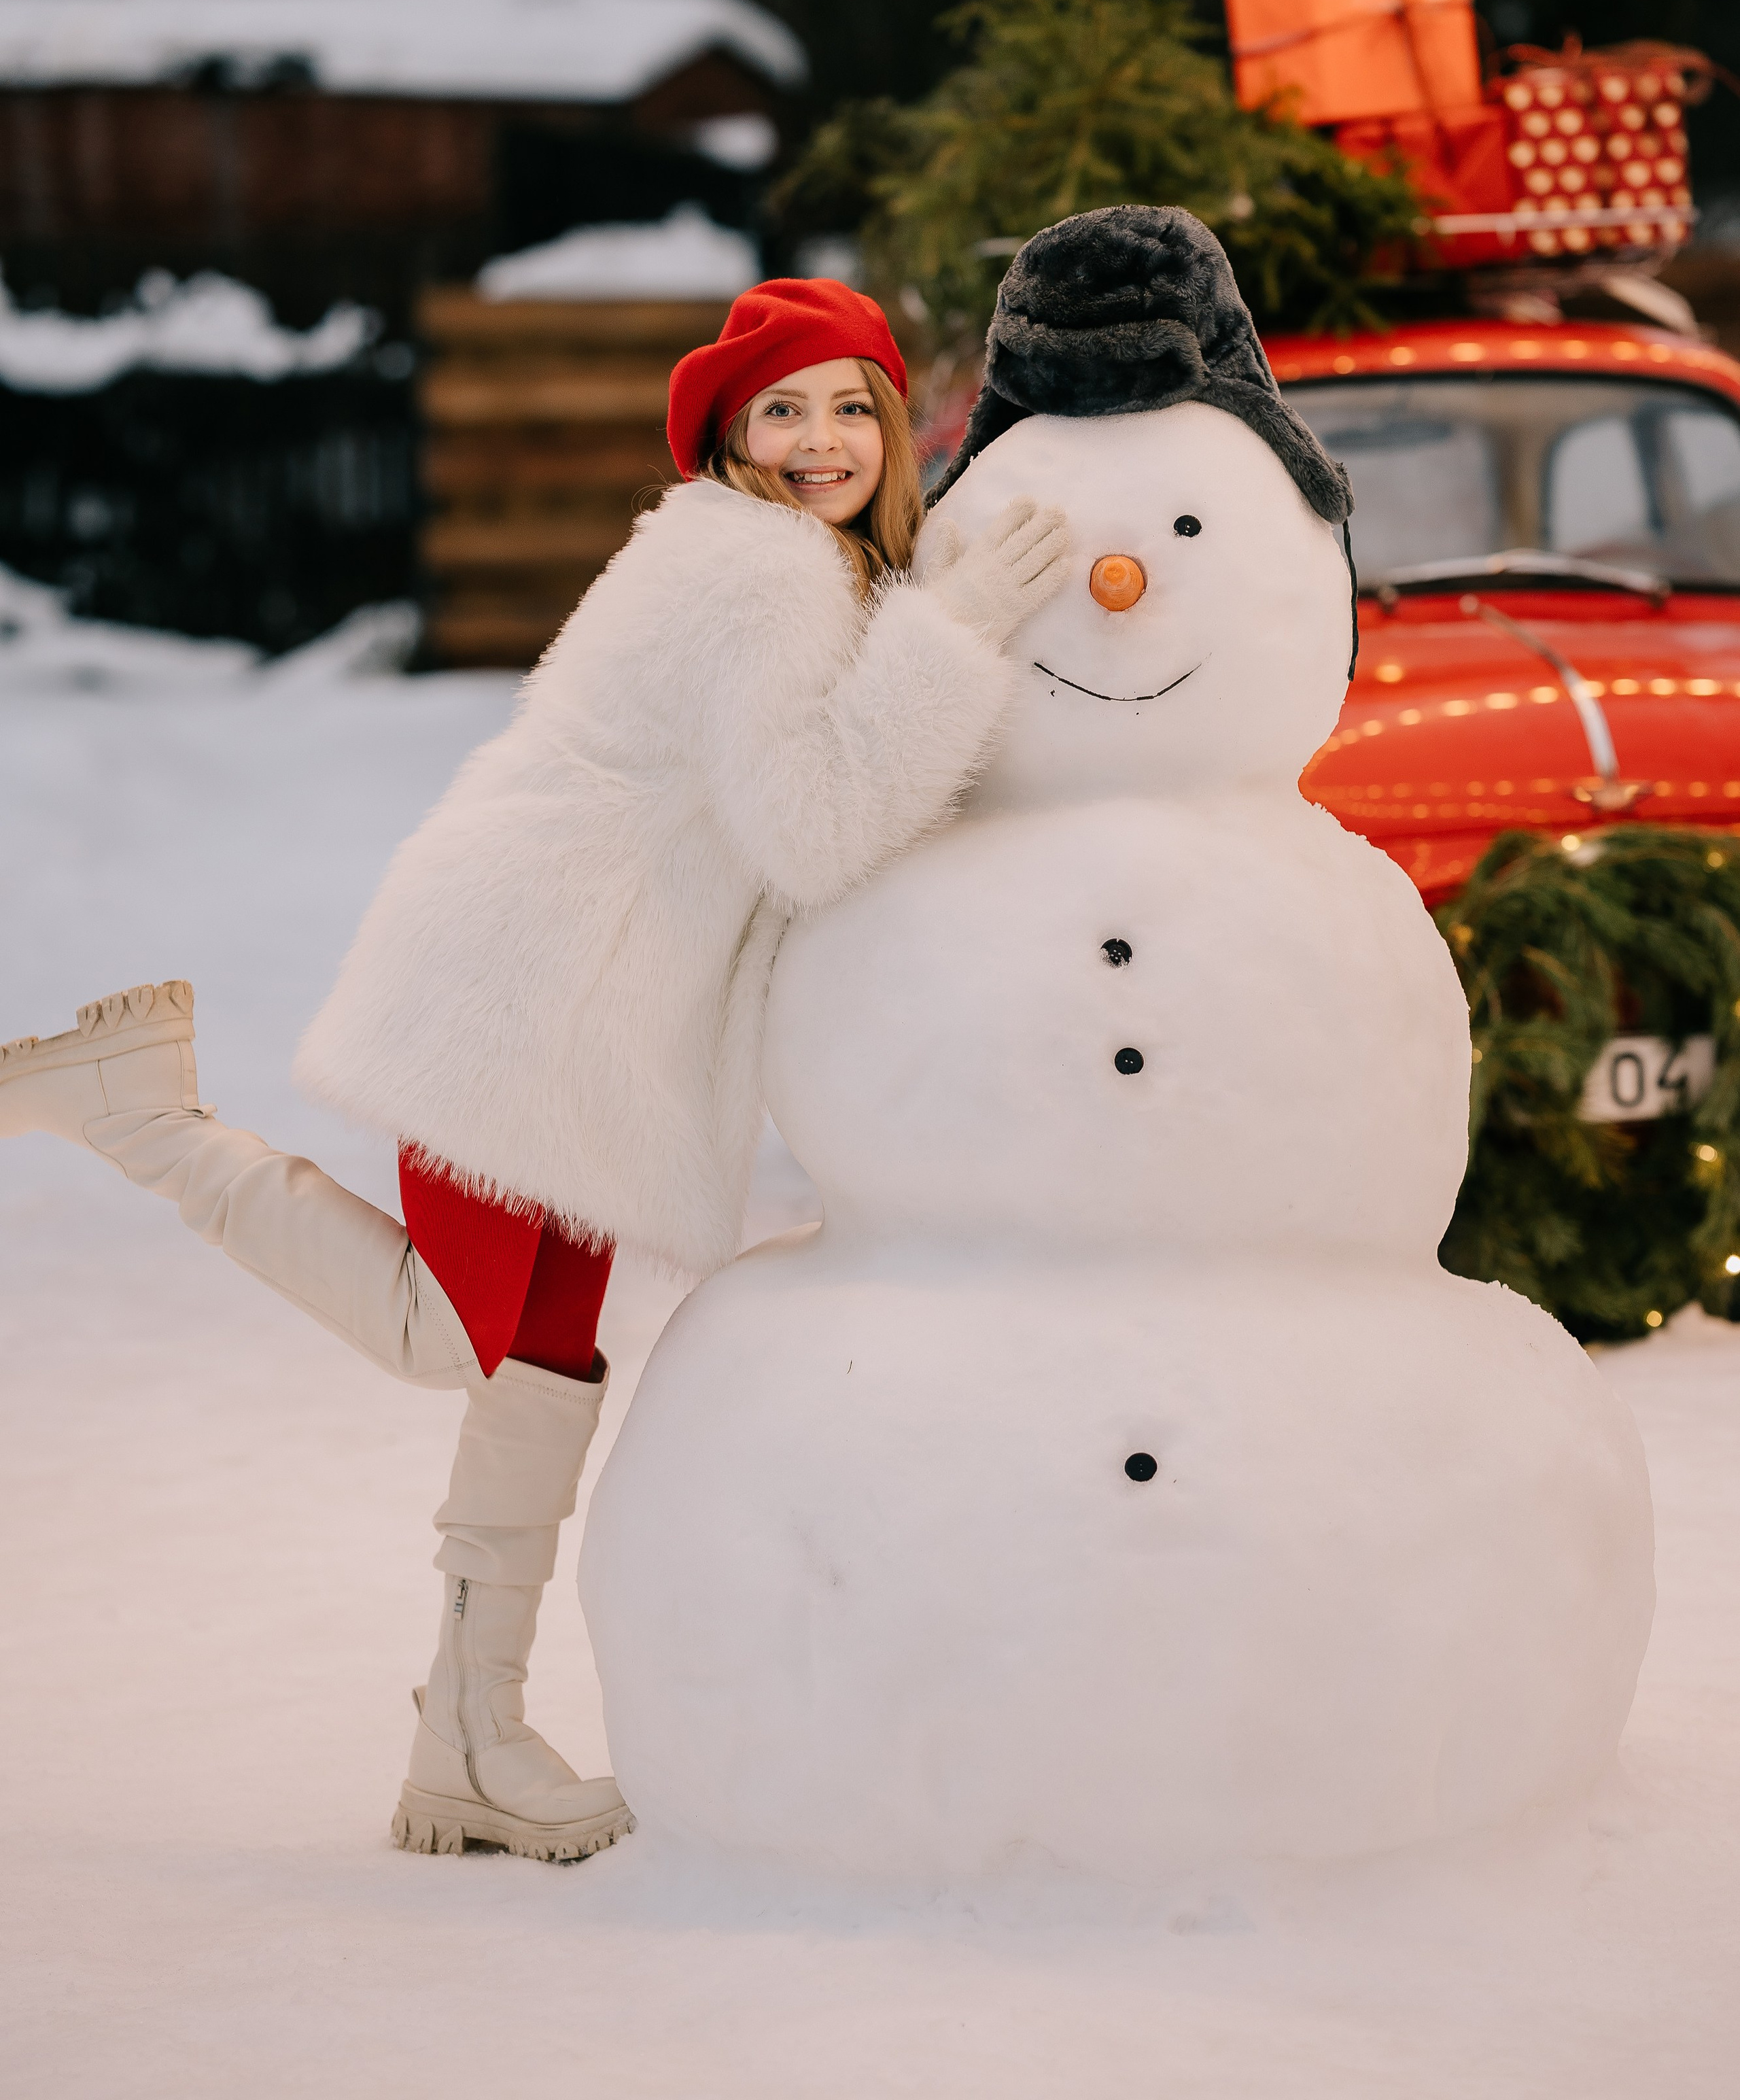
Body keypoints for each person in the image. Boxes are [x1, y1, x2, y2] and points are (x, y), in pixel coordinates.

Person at [0, 274, 1069, 1864]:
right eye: (780, 409)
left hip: (590, 1009)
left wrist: (941, 615)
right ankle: (142, 1114)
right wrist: (963, 627)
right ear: (727, 438)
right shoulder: (750, 572)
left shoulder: (824, 576)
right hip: (531, 987)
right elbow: (819, 824)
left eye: (850, 404)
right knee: (457, 1334)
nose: (822, 438)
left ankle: (469, 1742)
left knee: (543, 1366)